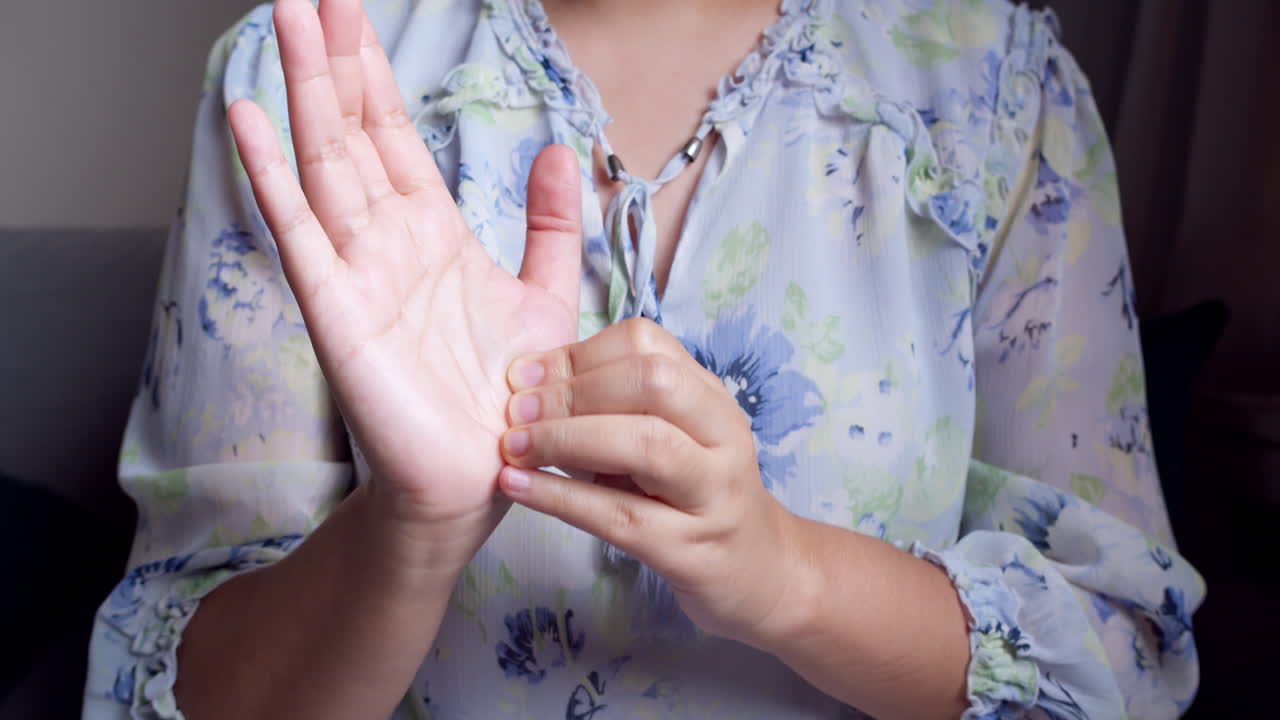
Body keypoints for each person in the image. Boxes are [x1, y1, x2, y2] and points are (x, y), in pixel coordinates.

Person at [82, 0, 1204, 717]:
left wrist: (781, 573)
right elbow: (186, 693)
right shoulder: (307, 80)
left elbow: (1123, 650)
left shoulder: (991, 82)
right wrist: (407, 532)